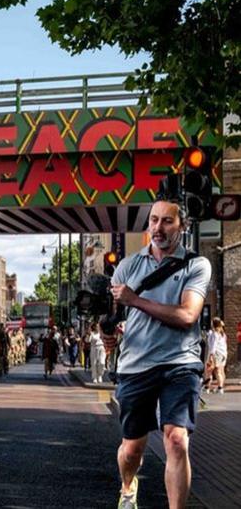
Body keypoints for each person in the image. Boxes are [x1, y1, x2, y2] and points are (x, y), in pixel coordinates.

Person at [110, 199, 211, 509]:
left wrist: (135, 300)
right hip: (136, 365)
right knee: (132, 450)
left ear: (182, 226)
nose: (158, 227)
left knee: (177, 440)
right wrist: (107, 333)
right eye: (154, 220)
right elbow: (111, 318)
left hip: (180, 363)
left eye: (167, 221)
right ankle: (128, 487)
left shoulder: (196, 265)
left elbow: (186, 316)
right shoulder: (128, 266)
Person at [206, 318, 227, 395]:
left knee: (210, 370)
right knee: (220, 371)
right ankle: (220, 388)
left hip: (216, 353)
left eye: (212, 322)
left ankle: (207, 388)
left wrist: (211, 355)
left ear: (214, 324)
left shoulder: (215, 333)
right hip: (222, 353)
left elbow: (213, 345)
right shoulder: (222, 334)